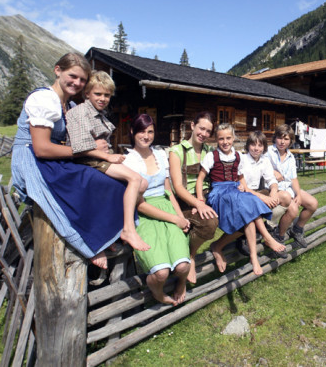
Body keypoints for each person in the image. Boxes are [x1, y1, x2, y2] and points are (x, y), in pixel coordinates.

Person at [11, 53, 126, 269]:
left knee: (107, 182)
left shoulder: (70, 105)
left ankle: (106, 233)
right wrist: (87, 150)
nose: (77, 83)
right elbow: (42, 148)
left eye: (82, 80)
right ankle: (88, 245)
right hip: (33, 159)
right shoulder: (44, 99)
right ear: (57, 71)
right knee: (72, 192)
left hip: (58, 158)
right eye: (73, 76)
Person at [65, 71, 150, 252]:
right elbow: (79, 147)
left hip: (99, 158)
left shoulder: (99, 113)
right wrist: (108, 156)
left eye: (106, 95)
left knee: (142, 184)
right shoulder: (79, 112)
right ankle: (128, 229)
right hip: (90, 161)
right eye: (98, 94)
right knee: (134, 179)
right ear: (87, 93)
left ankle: (112, 228)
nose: (103, 98)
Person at [196, 123, 285, 276]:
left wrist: (244, 188)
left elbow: (240, 177)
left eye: (228, 138)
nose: (225, 142)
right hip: (220, 193)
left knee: (250, 207)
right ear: (216, 139)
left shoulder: (237, 155)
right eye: (221, 138)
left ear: (233, 138)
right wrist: (199, 202)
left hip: (234, 188)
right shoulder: (212, 156)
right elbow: (200, 180)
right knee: (249, 208)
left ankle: (254, 256)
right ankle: (267, 239)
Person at [123, 114, 191, 306]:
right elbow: (139, 204)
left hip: (167, 207)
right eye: (142, 131)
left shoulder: (160, 155)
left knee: (183, 266)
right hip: (145, 214)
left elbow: (168, 190)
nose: (146, 136)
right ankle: (157, 292)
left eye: (150, 131)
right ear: (132, 132)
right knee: (161, 273)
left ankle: (181, 284)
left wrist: (180, 217)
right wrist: (173, 218)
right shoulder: (129, 161)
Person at [168, 112, 219, 283]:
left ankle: (229, 248)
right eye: (201, 128)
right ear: (192, 126)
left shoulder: (210, 151)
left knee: (238, 210)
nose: (204, 134)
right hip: (185, 200)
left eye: (208, 131)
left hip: (206, 196)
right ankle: (191, 254)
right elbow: (177, 187)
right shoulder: (177, 151)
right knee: (209, 224)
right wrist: (198, 203)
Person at [265, 124, 318, 249]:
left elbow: (293, 179)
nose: (282, 142)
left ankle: (297, 229)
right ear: (275, 138)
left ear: (291, 141)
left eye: (286, 139)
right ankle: (279, 236)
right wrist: (272, 172)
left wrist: (298, 194)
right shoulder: (268, 151)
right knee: (293, 209)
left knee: (312, 203)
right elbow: (259, 165)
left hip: (288, 188)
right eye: (280, 138)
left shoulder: (290, 157)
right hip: (273, 189)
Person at [238, 130, 289, 259]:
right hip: (244, 194)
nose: (256, 149)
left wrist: (273, 192)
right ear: (248, 146)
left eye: (260, 145)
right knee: (254, 203)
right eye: (253, 145)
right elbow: (243, 186)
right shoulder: (242, 159)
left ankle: (269, 225)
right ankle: (265, 236)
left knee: (285, 197)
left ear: (264, 147)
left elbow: (271, 180)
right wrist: (263, 197)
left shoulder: (264, 161)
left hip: (259, 192)